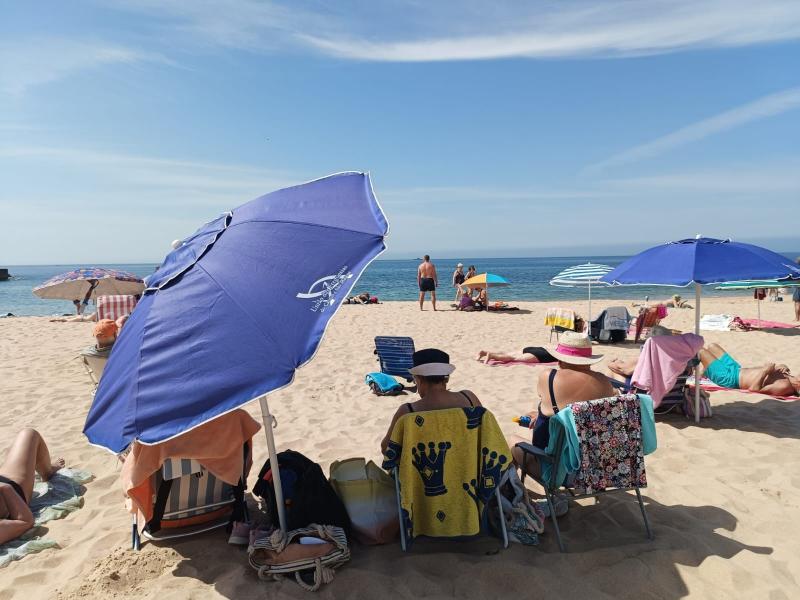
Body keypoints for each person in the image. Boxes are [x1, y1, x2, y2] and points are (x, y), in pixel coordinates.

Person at [509, 333, 614, 478]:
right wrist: (540, 415)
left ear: (559, 359)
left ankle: (512, 490)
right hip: (595, 472)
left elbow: (551, 401)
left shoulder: (549, 377)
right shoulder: (605, 383)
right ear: (589, 360)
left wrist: (541, 414)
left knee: (512, 440)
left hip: (557, 471)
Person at [381, 349, 481, 453]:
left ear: (418, 379)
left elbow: (386, 448)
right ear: (446, 379)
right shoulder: (469, 398)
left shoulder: (408, 412)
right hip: (469, 468)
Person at [0, 428, 65, 544]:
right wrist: (5, 488)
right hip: (12, 496)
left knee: (28, 435)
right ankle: (47, 472)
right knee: (29, 434)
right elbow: (26, 523)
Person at [699, 343, 799, 396]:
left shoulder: (785, 386)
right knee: (712, 346)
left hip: (730, 378)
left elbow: (755, 389)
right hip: (735, 368)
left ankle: (708, 370)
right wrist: (781, 366)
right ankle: (707, 371)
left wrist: (765, 372)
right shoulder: (788, 376)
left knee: (700, 350)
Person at [477, 346, 557, 364]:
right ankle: (492, 356)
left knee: (507, 353)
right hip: (539, 355)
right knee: (513, 358)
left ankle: (484, 352)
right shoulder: (563, 357)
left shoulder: (560, 348)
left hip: (536, 349)